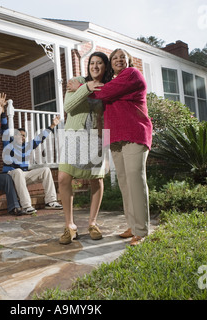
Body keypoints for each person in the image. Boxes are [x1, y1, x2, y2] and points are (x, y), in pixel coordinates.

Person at [90, 48, 153, 246]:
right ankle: (133, 226)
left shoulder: (132, 75)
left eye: (122, 57)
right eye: (114, 58)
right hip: (116, 137)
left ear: (129, 61)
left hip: (134, 133)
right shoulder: (113, 82)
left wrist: (86, 88)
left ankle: (141, 231)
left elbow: (103, 93)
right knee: (125, 183)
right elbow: (101, 95)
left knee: (135, 180)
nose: (118, 60)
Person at [58, 52, 110, 245]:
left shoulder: (108, 87)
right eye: (92, 63)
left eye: (99, 63)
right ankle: (70, 226)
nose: (95, 66)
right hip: (73, 135)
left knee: (96, 180)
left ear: (105, 67)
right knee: (64, 177)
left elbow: (106, 115)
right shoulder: (78, 81)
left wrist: (106, 148)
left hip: (96, 137)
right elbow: (69, 106)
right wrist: (85, 87)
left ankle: (93, 223)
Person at [1, 106, 63, 214]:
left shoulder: (28, 146)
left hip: (24, 175)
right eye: (20, 135)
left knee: (46, 170)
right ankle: (26, 206)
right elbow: (4, 129)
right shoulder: (8, 144)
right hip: (12, 175)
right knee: (19, 172)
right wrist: (2, 114)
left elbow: (40, 138)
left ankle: (51, 201)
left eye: (24, 136)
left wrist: (52, 125)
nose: (23, 137)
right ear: (15, 136)